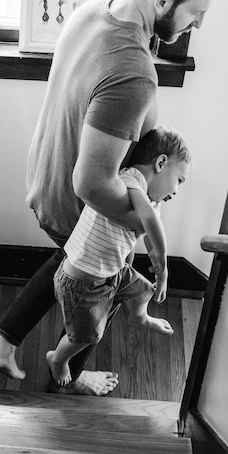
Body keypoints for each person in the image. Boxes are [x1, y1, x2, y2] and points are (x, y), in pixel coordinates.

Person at [0, 0, 223, 393]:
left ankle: (5, 343)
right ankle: (66, 379)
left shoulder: (96, 10)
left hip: (45, 175)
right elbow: (91, 183)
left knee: (65, 260)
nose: (199, 24)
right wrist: (142, 227)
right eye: (196, 13)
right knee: (100, 288)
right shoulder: (133, 72)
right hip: (75, 203)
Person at [47, 127, 190, 387]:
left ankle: (139, 316)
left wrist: (156, 267)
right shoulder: (129, 179)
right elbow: (149, 222)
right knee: (87, 336)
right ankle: (57, 359)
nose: (177, 191)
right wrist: (163, 270)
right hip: (81, 283)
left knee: (143, 290)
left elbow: (148, 228)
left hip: (112, 272)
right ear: (161, 163)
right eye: (179, 180)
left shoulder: (149, 201)